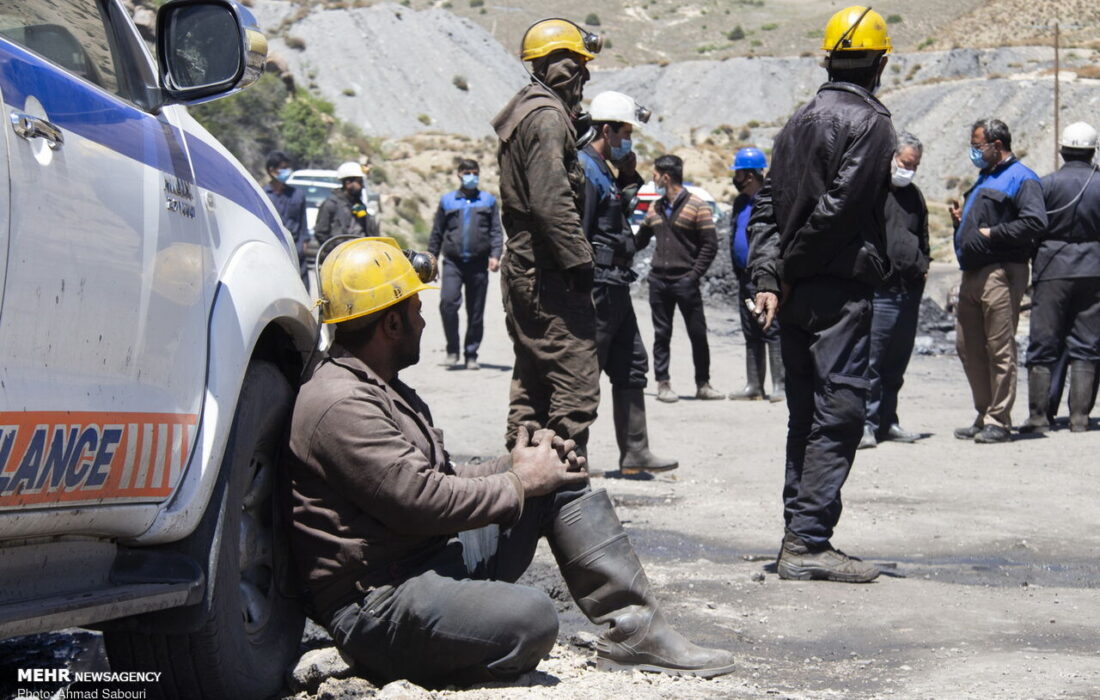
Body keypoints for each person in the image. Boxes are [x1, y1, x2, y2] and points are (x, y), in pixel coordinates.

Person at [287, 237, 735, 688]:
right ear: (391, 323)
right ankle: (424, 658)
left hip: (420, 559)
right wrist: (519, 481)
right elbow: (419, 500)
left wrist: (519, 466)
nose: (423, 322)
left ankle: (638, 632)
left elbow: (439, 477)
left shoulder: (376, 384)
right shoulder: (342, 403)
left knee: (558, 475)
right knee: (532, 617)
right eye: (416, 311)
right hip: (379, 603)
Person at [748, 5, 896, 583]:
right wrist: (782, 271)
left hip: (796, 293)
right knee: (839, 413)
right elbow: (839, 211)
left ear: (828, 60)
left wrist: (770, 276)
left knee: (805, 414)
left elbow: (766, 207)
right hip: (834, 290)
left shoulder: (798, 120)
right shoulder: (873, 123)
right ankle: (807, 542)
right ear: (880, 64)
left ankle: (799, 534)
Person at [491, 19, 601, 453]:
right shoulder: (547, 118)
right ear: (558, 66)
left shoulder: (529, 110)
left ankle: (523, 485)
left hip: (529, 270)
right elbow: (551, 200)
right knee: (575, 383)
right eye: (577, 65)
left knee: (534, 378)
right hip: (547, 274)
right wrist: (580, 261)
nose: (583, 76)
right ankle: (564, 487)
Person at [579, 91, 677, 474]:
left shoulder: (606, 170)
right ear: (607, 130)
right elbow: (581, 232)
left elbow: (625, 216)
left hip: (617, 283)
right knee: (586, 371)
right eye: (626, 133)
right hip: (598, 286)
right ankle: (573, 457)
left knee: (632, 364)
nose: (629, 141)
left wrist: (631, 176)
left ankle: (635, 453)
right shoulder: (586, 169)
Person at [949, 118, 1047, 443]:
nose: (974, 152)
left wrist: (992, 233)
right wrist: (962, 224)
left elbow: (1034, 222)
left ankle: (999, 420)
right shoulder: (985, 177)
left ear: (997, 145)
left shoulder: (1022, 178)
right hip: (972, 271)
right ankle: (984, 413)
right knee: (968, 345)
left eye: (977, 145)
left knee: (999, 347)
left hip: (1000, 272)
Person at [1020, 121, 1100, 433]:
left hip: (1052, 268)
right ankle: (1080, 418)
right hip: (1094, 269)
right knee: (1086, 344)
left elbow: (1030, 226)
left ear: (1063, 151)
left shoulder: (1046, 185)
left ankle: (1039, 417)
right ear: (1092, 151)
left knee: (1043, 342)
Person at [859, 132, 929, 449]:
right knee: (872, 362)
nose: (909, 170)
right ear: (892, 158)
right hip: (881, 291)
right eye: (905, 163)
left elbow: (922, 236)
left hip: (909, 291)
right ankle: (867, 424)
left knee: (896, 364)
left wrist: (923, 264)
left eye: (914, 166)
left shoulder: (914, 196)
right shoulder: (873, 191)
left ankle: (889, 421)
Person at [636, 154, 721, 402]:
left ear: (666, 177)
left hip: (685, 282)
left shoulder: (698, 205)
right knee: (662, 335)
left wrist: (693, 275)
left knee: (698, 334)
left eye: (655, 174)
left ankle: (703, 384)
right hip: (658, 282)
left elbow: (710, 245)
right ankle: (663, 384)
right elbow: (640, 241)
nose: (653, 178)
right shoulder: (655, 207)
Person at [428, 159, 503, 370]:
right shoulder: (447, 201)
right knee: (448, 303)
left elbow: (496, 231)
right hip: (453, 263)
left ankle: (471, 354)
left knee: (476, 312)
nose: (472, 176)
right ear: (459, 174)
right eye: (468, 172)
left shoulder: (488, 200)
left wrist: (495, 255)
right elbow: (437, 233)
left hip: (478, 265)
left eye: (475, 172)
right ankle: (452, 350)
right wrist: (431, 260)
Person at [727, 147, 783, 403]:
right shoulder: (740, 203)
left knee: (772, 329)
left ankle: (780, 385)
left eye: (738, 173)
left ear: (749, 175)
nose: (735, 178)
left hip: (766, 277)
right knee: (751, 331)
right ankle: (754, 385)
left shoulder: (770, 200)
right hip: (744, 277)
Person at [262, 150, 309, 282]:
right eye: (283, 168)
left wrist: (304, 243)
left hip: (296, 250)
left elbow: (303, 222)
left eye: (288, 168)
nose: (287, 171)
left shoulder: (297, 195)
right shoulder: (262, 196)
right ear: (272, 171)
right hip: (273, 250)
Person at [314, 161, 371, 254]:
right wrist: (335, 251)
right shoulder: (331, 204)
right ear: (348, 183)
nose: (362, 186)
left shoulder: (359, 205)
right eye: (359, 182)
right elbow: (320, 233)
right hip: (339, 257)